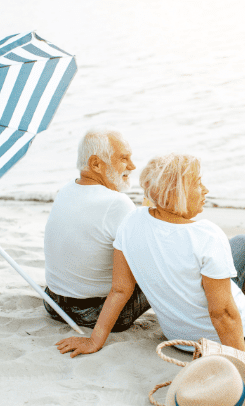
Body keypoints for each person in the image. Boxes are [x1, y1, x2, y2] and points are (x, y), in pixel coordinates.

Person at [55, 153, 245, 356]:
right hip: (240, 336)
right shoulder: (206, 235)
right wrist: (242, 370)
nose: (206, 190)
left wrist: (94, 340)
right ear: (175, 194)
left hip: (178, 338)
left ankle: (239, 295)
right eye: (197, 184)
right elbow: (222, 317)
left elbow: (120, 291)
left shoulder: (130, 222)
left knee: (244, 244)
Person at [43, 126, 150, 332]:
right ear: (96, 164)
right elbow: (143, 263)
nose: (133, 166)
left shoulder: (66, 190)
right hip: (93, 313)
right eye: (124, 159)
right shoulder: (117, 203)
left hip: (53, 304)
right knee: (168, 265)